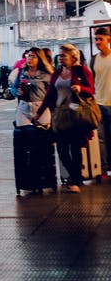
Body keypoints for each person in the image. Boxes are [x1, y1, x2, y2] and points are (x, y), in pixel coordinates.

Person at [36, 43, 96, 192]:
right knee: (62, 149)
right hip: (60, 115)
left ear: (73, 57)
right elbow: (50, 94)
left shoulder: (82, 71)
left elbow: (91, 90)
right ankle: (75, 176)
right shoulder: (56, 73)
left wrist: (81, 88)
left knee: (75, 148)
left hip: (76, 114)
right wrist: (40, 111)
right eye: (59, 55)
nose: (60, 58)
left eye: (63, 55)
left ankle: (75, 180)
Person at [13, 47, 53, 127]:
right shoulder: (22, 72)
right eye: (28, 56)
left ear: (40, 59)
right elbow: (14, 87)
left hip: (41, 108)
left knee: (42, 136)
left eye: (33, 56)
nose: (29, 58)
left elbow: (52, 93)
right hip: (24, 107)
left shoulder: (46, 74)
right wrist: (17, 92)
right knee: (23, 135)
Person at [93, 27, 111, 174]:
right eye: (96, 39)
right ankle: (104, 168)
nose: (98, 42)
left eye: (101, 39)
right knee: (101, 138)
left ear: (108, 40)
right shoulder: (94, 59)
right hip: (98, 103)